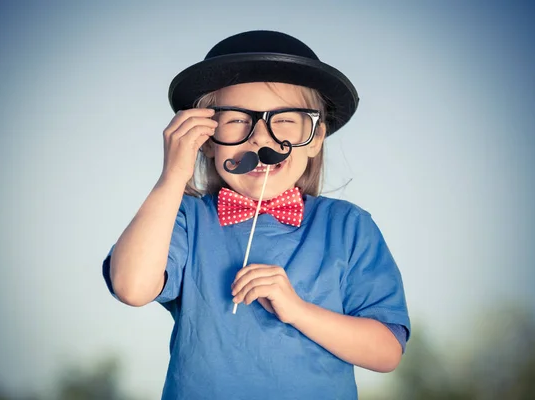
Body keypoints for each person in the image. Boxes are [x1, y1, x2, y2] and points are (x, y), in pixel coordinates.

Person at [102, 30, 410, 400]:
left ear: (314, 137)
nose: (260, 140)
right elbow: (130, 287)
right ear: (206, 141)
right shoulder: (184, 218)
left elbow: (386, 352)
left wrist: (297, 310)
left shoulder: (349, 227)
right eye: (236, 121)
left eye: (283, 120)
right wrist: (172, 178)